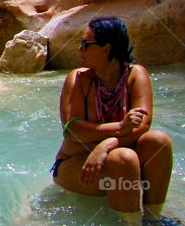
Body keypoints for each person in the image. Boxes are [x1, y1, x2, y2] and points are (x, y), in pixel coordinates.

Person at [51, 16, 176, 225]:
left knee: (158, 141)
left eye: (86, 44)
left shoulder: (135, 75)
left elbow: (143, 125)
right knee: (122, 158)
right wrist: (120, 127)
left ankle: (153, 219)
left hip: (120, 161)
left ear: (106, 49)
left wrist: (106, 145)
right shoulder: (79, 78)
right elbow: (72, 130)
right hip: (76, 164)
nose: (79, 49)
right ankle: (130, 223)